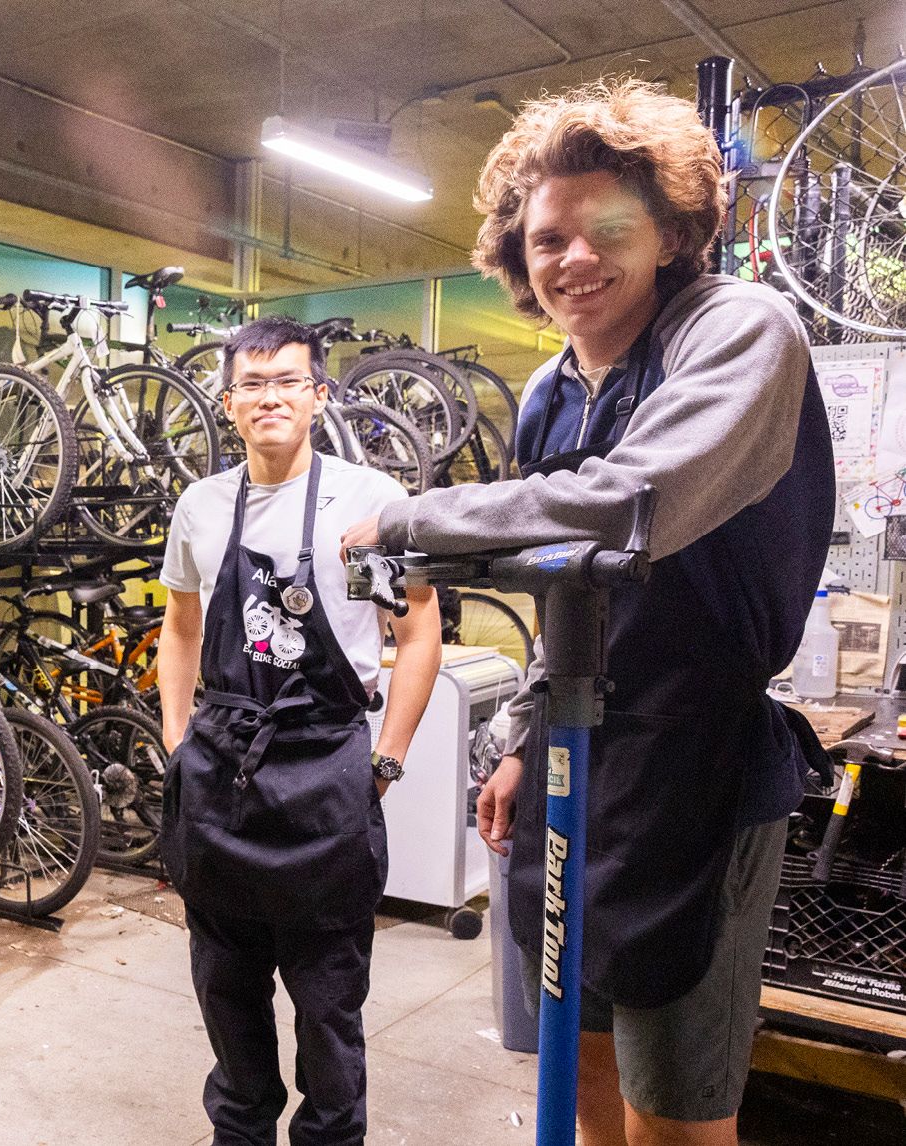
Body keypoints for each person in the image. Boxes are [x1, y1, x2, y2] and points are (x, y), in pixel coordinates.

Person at [340, 79, 833, 1146]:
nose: (575, 259)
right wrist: (522, 737)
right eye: (549, 237)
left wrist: (413, 516)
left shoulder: (738, 331)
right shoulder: (556, 387)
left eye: (609, 230)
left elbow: (630, 504)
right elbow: (573, 589)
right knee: (582, 1070)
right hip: (580, 760)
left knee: (680, 1117)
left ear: (670, 230)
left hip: (698, 770)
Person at [158, 315, 441, 1146]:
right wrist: (177, 740)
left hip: (325, 773)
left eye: (287, 380)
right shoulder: (200, 507)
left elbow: (415, 630)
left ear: (318, 396)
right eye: (251, 383)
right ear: (227, 402)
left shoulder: (370, 503)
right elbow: (178, 628)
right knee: (226, 995)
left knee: (327, 1009)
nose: (269, 396)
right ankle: (239, 1131)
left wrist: (385, 758)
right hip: (220, 777)